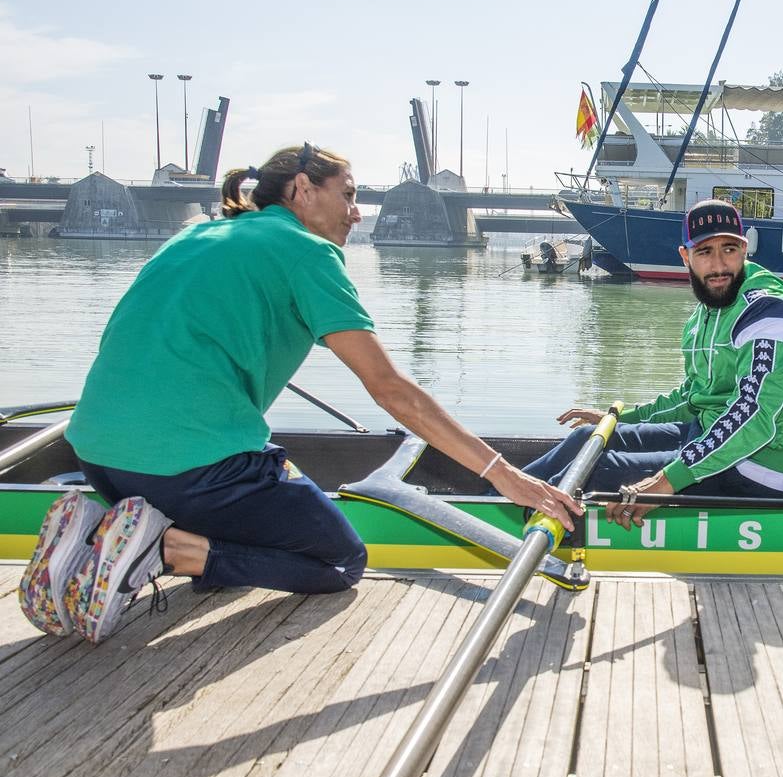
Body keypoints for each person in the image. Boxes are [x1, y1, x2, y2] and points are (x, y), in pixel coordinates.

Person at [19, 143, 582, 645]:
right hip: (187, 467)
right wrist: (505, 476)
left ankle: (99, 523)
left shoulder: (197, 233)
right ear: (303, 189)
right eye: (349, 195)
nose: (357, 212)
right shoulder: (308, 253)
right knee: (337, 561)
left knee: (239, 519)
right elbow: (389, 390)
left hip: (96, 453)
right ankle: (159, 549)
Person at [523, 198, 783, 529]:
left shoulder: (768, 311)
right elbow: (693, 396)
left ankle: (492, 518)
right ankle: (495, 494)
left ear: (745, 250)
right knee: (586, 439)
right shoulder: (707, 312)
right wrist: (622, 420)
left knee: (587, 473)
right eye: (705, 252)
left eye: (730, 249)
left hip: (756, 468)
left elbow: (753, 416)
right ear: (686, 257)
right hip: (706, 436)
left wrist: (665, 482)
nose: (720, 265)